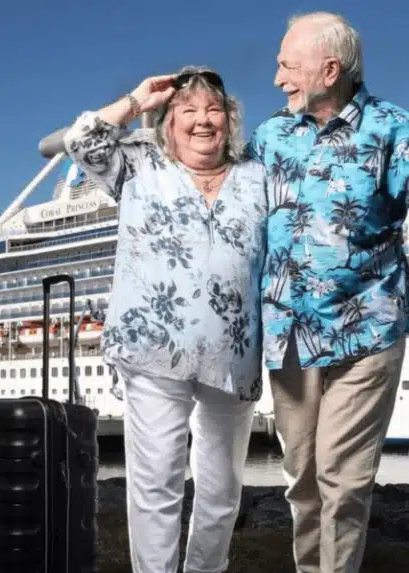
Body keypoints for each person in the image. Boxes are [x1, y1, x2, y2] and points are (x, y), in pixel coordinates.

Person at [246, 12, 409, 573]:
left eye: (288, 65)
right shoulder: (270, 135)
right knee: (302, 475)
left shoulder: (391, 127)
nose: (278, 78)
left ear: (330, 70)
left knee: (343, 474)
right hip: (288, 332)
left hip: (367, 328)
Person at [62, 65, 268, 573]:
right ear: (167, 124)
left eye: (214, 109)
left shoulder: (255, 175)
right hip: (153, 348)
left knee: (222, 489)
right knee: (157, 484)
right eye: (188, 111)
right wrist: (136, 101)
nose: (203, 120)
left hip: (233, 354)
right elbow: (80, 140)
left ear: (230, 120)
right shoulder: (139, 163)